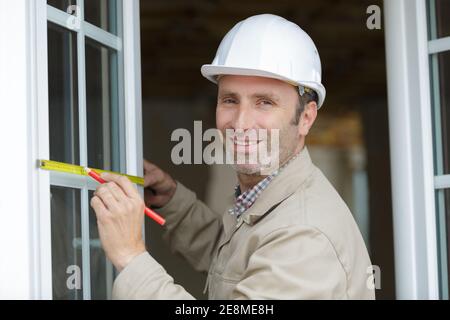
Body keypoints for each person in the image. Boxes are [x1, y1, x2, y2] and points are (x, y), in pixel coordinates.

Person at [90, 14, 375, 299]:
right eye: (230, 100)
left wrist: (131, 257)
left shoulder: (305, 237)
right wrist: (174, 202)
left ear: (306, 118)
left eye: (264, 102)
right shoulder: (272, 200)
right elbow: (234, 258)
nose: (240, 123)